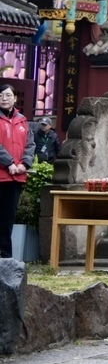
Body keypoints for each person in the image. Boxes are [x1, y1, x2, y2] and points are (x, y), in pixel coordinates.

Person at [0, 84, 31, 258]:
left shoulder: (23, 121)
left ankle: (6, 257)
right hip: (2, 174)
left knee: (8, 218)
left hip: (15, 178)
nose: (4, 98)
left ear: (15, 98)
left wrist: (25, 164)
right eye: (1, 96)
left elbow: (30, 145)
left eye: (8, 95)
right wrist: (9, 163)